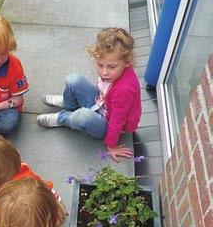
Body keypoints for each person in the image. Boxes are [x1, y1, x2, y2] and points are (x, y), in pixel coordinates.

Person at [37, 28, 141, 161]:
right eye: (100, 65)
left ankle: (62, 118)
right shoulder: (113, 72)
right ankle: (69, 104)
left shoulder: (124, 90)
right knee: (73, 79)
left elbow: (117, 120)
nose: (104, 72)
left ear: (127, 62)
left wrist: (111, 146)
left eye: (111, 67)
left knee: (84, 116)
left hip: (107, 123)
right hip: (101, 103)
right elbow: (103, 90)